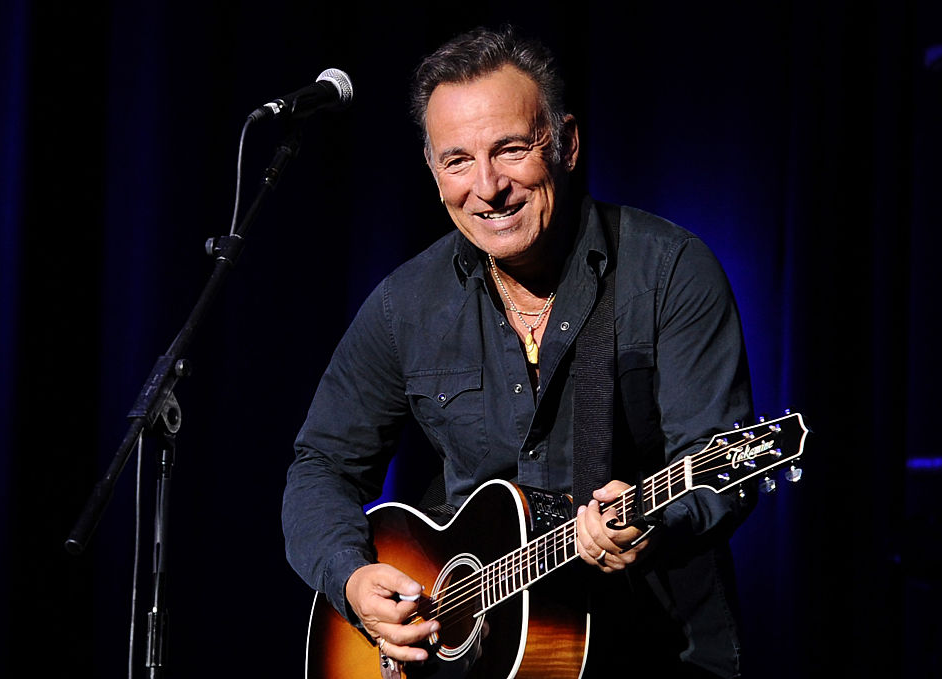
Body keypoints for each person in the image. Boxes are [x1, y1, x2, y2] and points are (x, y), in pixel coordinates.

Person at [283, 26, 754, 678]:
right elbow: (321, 467)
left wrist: (653, 519)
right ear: (430, 167)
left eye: (510, 150)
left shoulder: (669, 270)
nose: (487, 186)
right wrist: (354, 580)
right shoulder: (406, 303)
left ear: (566, 144)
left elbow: (718, 464)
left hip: (655, 651)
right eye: (457, 160)